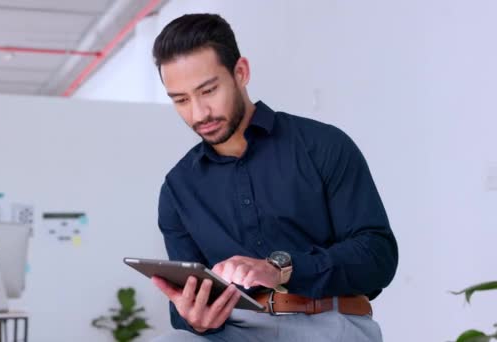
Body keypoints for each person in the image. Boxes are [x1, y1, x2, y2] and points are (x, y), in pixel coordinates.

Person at [150, 13, 398, 342]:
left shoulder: (322, 146)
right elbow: (186, 302)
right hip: (237, 331)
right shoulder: (178, 189)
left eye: (208, 91)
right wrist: (194, 317)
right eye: (180, 100)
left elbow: (377, 257)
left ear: (241, 73)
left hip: (330, 322)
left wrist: (281, 267)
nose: (198, 113)